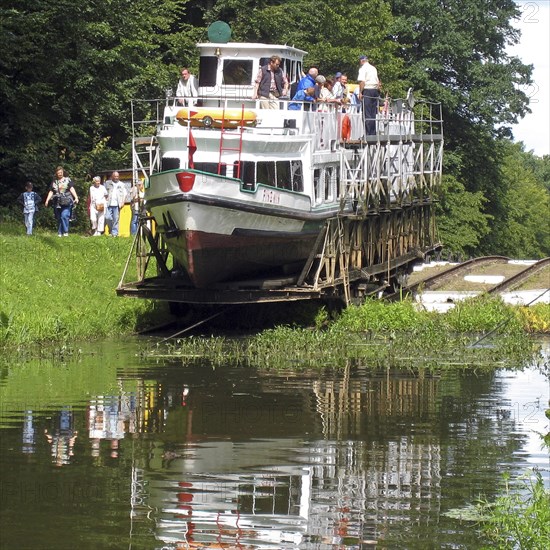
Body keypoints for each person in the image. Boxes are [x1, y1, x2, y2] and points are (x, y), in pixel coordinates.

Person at [44, 166, 79, 236]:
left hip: (67, 200)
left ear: (63, 172)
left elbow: (72, 189)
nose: (60, 174)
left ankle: (65, 232)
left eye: (61, 172)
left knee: (64, 216)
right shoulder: (54, 182)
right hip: (57, 202)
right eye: (58, 173)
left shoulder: (67, 180)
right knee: (59, 217)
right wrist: (47, 200)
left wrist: (76, 197)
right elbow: (51, 191)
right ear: (56, 173)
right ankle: (60, 232)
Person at [357, 55, 380, 136]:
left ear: (361, 61)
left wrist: (360, 92)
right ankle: (373, 133)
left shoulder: (363, 68)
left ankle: (368, 134)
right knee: (373, 113)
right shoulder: (373, 68)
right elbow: (378, 82)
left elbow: (362, 81)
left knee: (367, 113)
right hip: (375, 91)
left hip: (367, 90)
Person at [104, 171, 127, 237]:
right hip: (108, 204)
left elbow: (125, 194)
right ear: (112, 176)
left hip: (117, 205)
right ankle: (111, 230)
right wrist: (105, 198)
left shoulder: (122, 184)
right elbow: (104, 192)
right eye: (115, 176)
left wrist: (123, 202)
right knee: (107, 218)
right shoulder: (107, 183)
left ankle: (114, 233)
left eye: (117, 176)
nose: (116, 178)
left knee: (116, 219)